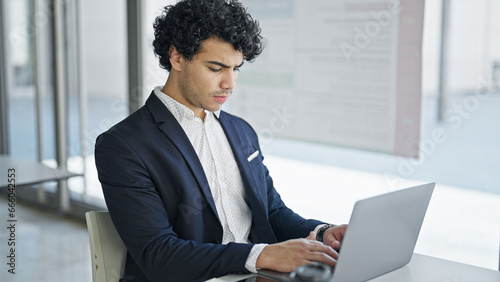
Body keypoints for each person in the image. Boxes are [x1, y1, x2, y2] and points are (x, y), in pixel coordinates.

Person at [95, 0, 347, 281]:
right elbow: (158, 254)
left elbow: (272, 213)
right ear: (177, 57)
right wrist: (262, 255)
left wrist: (324, 233)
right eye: (216, 68)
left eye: (236, 68)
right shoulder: (123, 146)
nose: (230, 83)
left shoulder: (240, 131)